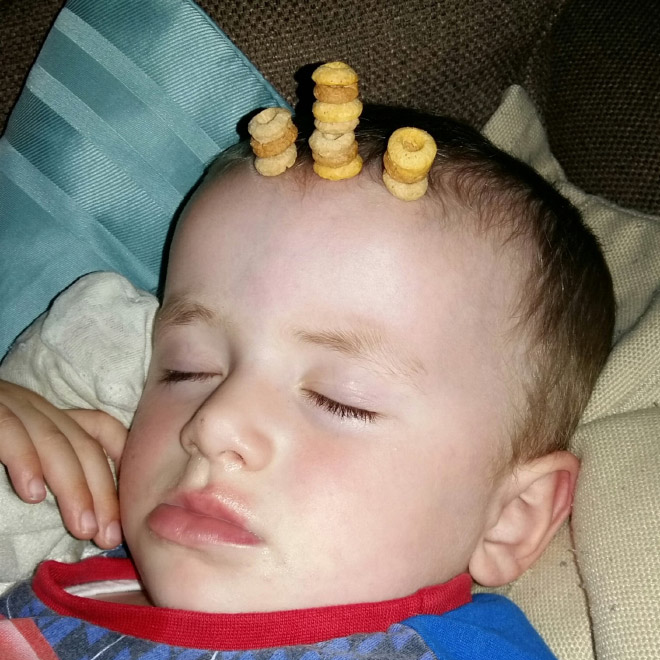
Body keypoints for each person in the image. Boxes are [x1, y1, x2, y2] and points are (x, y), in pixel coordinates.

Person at [0, 105, 615, 659]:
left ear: (511, 516)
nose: (214, 425)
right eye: (185, 370)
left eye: (339, 399)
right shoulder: (50, 562)